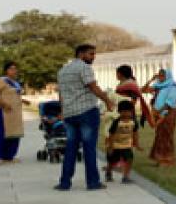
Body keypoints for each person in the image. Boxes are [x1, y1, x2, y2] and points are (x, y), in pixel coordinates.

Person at [55, 44, 116, 192]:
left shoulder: (62, 70)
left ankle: (64, 183)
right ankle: (93, 182)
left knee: (71, 149)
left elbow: (61, 94)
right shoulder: (84, 67)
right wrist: (107, 101)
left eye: (94, 54)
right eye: (91, 54)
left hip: (70, 114)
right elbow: (93, 87)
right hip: (86, 112)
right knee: (89, 148)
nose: (93, 57)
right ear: (81, 54)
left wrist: (63, 111)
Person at [0, 62, 31, 164]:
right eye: (11, 69)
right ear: (6, 70)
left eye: (15, 69)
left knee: (14, 134)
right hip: (4, 112)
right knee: (1, 134)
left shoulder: (15, 83)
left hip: (15, 113)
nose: (14, 71)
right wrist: (4, 104)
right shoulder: (2, 81)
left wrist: (23, 100)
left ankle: (9, 156)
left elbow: (13, 95)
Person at [144, 68, 176, 167]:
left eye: (162, 76)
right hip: (158, 113)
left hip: (168, 113)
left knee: (167, 135)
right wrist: (151, 79)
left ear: (167, 76)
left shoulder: (173, 87)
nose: (160, 77)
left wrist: (158, 111)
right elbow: (143, 90)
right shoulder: (159, 86)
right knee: (159, 135)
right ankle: (159, 159)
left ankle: (167, 160)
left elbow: (170, 102)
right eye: (159, 75)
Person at [102, 100, 143, 183]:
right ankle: (108, 172)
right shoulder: (116, 122)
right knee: (112, 161)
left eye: (128, 112)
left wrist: (137, 144)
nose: (126, 114)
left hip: (126, 145)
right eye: (123, 112)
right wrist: (110, 147)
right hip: (115, 145)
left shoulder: (134, 122)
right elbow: (111, 135)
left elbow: (135, 133)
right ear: (119, 112)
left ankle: (126, 176)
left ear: (132, 112)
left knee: (129, 159)